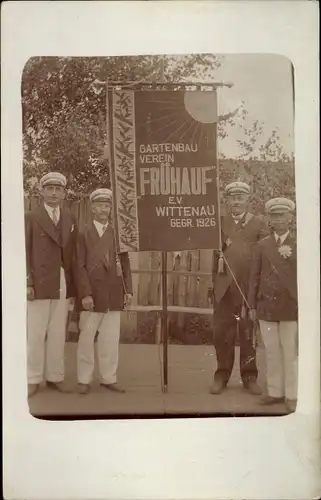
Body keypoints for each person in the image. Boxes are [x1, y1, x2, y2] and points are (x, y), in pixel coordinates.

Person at [211, 181, 269, 395]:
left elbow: (264, 258)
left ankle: (249, 376)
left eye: (240, 197)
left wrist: (258, 290)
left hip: (247, 289)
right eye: (233, 198)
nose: (236, 201)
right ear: (228, 200)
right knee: (222, 334)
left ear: (247, 200)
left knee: (248, 334)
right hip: (224, 288)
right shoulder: (219, 223)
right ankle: (222, 375)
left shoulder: (258, 224)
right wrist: (214, 287)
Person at [75, 188, 133, 395]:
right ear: (92, 208)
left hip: (114, 293)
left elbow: (125, 264)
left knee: (110, 338)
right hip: (92, 294)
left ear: (110, 209)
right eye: (99, 205)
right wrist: (85, 294)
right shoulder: (83, 233)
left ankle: (109, 377)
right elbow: (79, 266)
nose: (103, 209)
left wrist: (129, 290)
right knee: (86, 338)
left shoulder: (117, 234)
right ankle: (84, 378)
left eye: (107, 205)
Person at [25, 172, 77, 398]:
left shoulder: (68, 217)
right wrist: (28, 281)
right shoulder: (31, 216)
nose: (54, 193)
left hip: (62, 280)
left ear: (64, 193)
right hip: (39, 280)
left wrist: (73, 287)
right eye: (50, 189)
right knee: (36, 332)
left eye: (59, 189)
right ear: (41, 192)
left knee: (57, 332)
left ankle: (55, 376)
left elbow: (72, 255)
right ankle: (32, 378)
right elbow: (24, 251)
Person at [248, 197, 298, 413]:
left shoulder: (299, 243)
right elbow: (254, 276)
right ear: (269, 219)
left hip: (290, 306)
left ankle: (292, 393)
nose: (279, 220)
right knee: (271, 351)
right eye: (275, 216)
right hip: (266, 305)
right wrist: (251, 305)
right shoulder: (262, 245)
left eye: (283, 216)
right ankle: (275, 391)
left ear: (290, 218)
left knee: (290, 350)